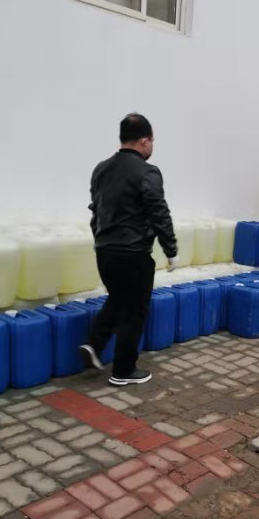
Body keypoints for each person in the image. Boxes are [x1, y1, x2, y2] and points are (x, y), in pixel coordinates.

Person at [79, 113, 178, 386]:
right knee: (134, 311)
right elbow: (159, 212)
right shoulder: (147, 172)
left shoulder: (101, 169)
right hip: (134, 254)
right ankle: (123, 371)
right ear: (145, 141)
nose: (152, 146)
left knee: (119, 299)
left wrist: (101, 241)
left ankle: (93, 344)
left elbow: (96, 212)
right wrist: (171, 249)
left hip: (105, 252)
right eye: (152, 141)